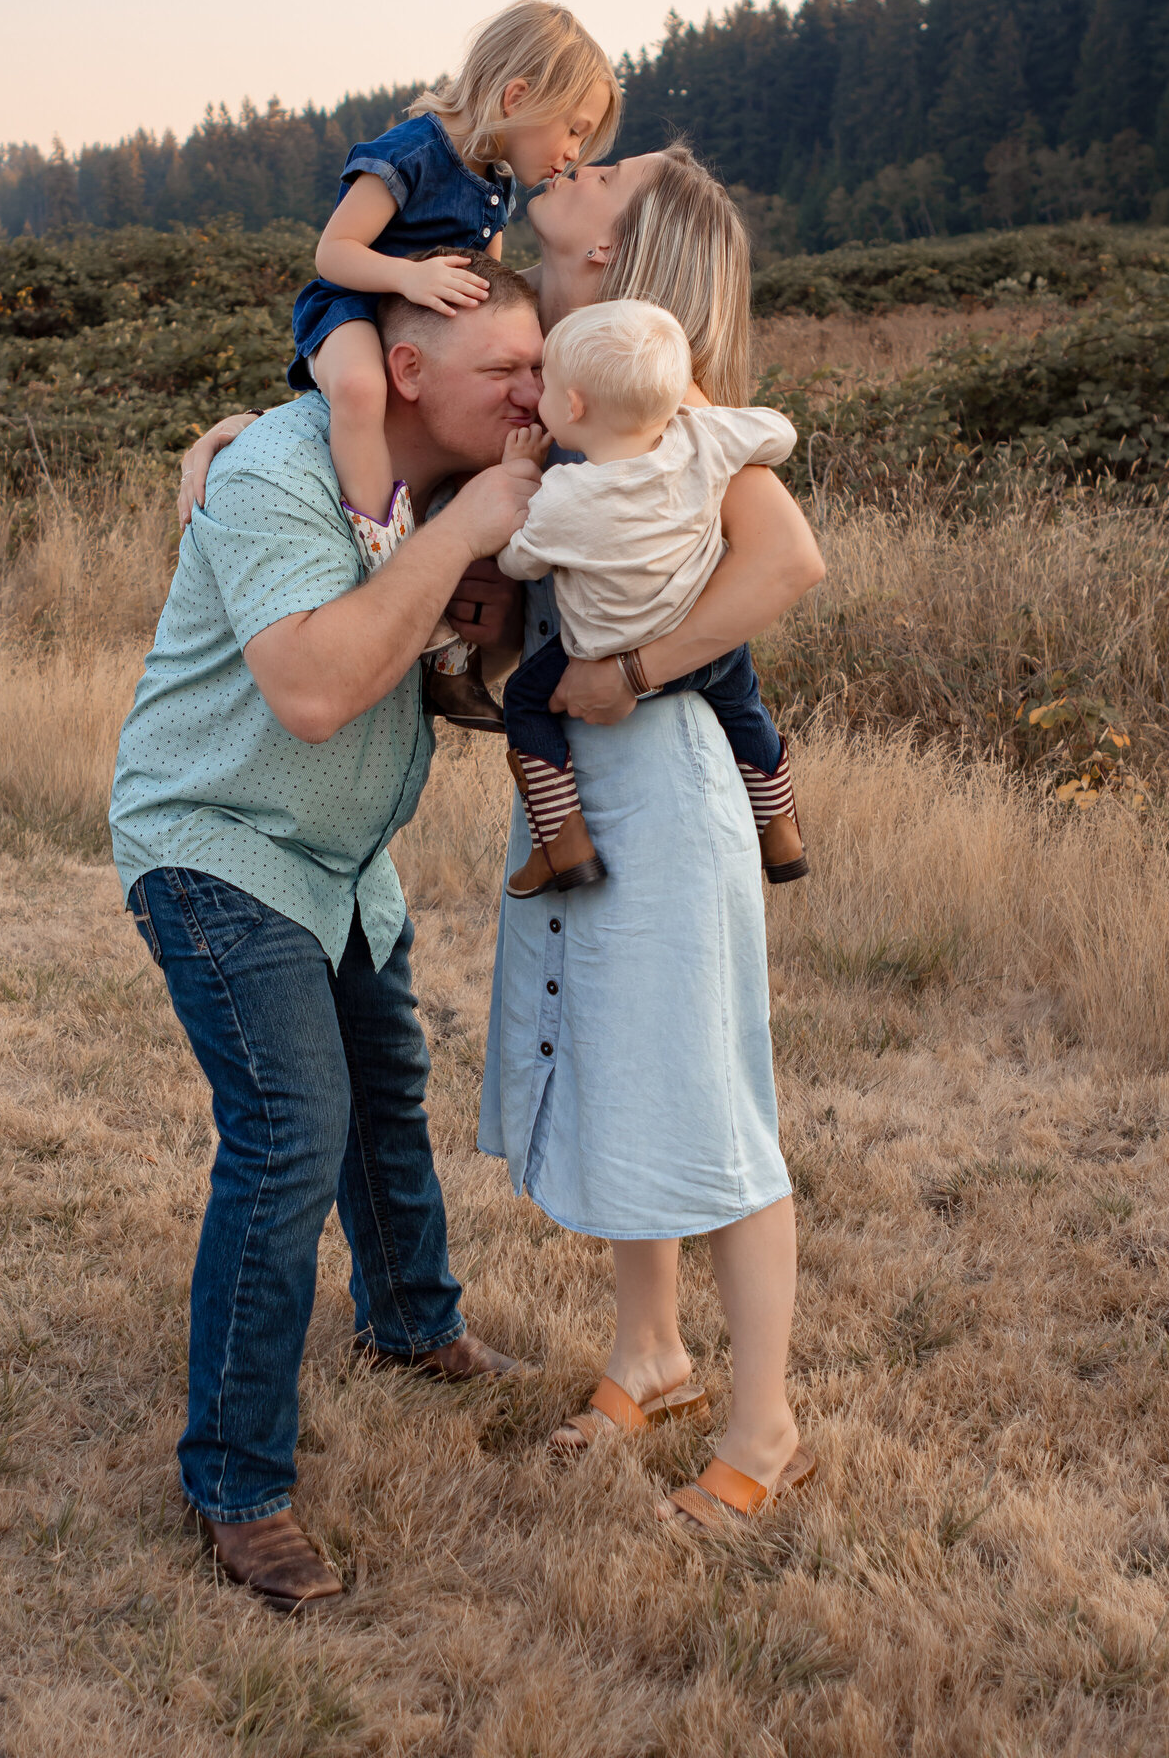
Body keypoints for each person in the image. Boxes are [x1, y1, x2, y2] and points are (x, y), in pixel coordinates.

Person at [110, 264, 543, 1611]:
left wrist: (487, 597)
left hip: (342, 863)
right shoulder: (278, 474)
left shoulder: (440, 484)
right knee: (293, 1125)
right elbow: (308, 690)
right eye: (509, 372)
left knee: (386, 1093)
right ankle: (237, 1483)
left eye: (543, 368)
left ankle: (412, 1325)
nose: (538, 395)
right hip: (217, 836)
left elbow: (460, 689)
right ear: (406, 374)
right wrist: (464, 526)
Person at [479, 140, 824, 1531]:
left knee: (709, 1092)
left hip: (664, 778)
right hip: (592, 782)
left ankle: (767, 1425)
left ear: (619, 260)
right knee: (620, 1062)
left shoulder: (678, 422)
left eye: (604, 178)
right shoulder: (574, 400)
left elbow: (788, 563)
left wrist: (634, 671)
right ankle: (653, 1354)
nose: (583, 168)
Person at [291, 0, 619, 731]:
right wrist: (409, 279)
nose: (575, 151)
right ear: (518, 95)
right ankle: (383, 553)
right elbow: (332, 253)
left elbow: (491, 288)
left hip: (424, 328)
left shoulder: (495, 186)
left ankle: (449, 654)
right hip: (355, 306)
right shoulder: (411, 152)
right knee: (356, 388)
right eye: (572, 128)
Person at [494, 298, 799, 897]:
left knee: (524, 701)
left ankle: (563, 841)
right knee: (746, 709)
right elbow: (780, 435)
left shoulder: (565, 496)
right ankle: (779, 827)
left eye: (545, 383)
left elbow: (516, 561)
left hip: (604, 655)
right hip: (700, 651)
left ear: (572, 407)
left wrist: (518, 476)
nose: (537, 394)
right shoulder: (703, 436)